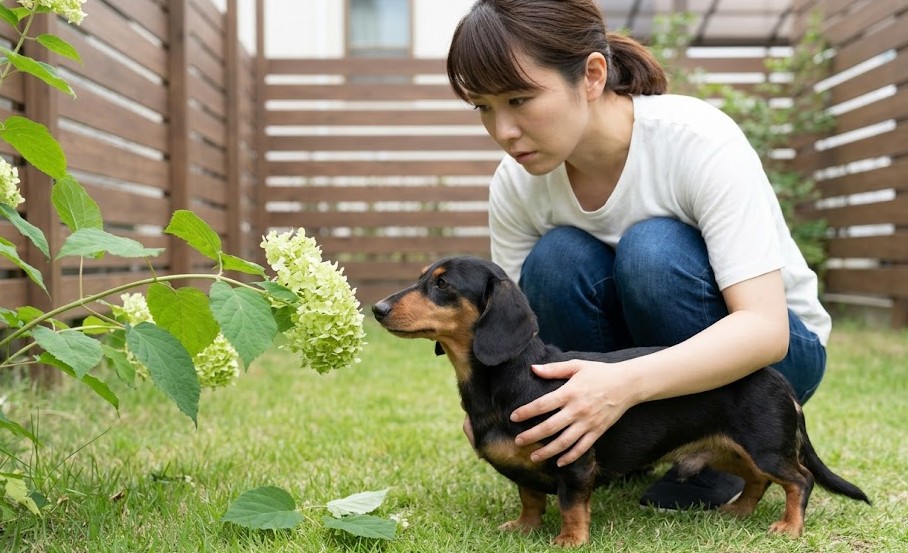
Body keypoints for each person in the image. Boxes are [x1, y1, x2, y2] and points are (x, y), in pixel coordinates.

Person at [445, 0, 831, 510]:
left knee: (652, 251)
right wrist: (496, 406)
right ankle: (632, 445)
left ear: (592, 75)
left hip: (770, 362)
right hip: (637, 370)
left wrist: (624, 383)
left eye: (519, 99)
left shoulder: (696, 140)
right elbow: (518, 334)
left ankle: (717, 458)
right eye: (484, 107)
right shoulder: (516, 184)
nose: (503, 131)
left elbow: (765, 329)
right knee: (556, 259)